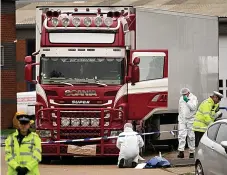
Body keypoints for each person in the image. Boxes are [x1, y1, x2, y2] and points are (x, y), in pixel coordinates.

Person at [177, 88, 198, 159]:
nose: (183, 96)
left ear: (188, 93)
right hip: (182, 120)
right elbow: (180, 109)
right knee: (181, 135)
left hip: (191, 120)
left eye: (185, 94)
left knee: (191, 136)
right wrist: (180, 118)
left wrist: (187, 101)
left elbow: (193, 108)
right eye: (183, 95)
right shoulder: (181, 99)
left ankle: (191, 152)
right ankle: (181, 151)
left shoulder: (193, 98)